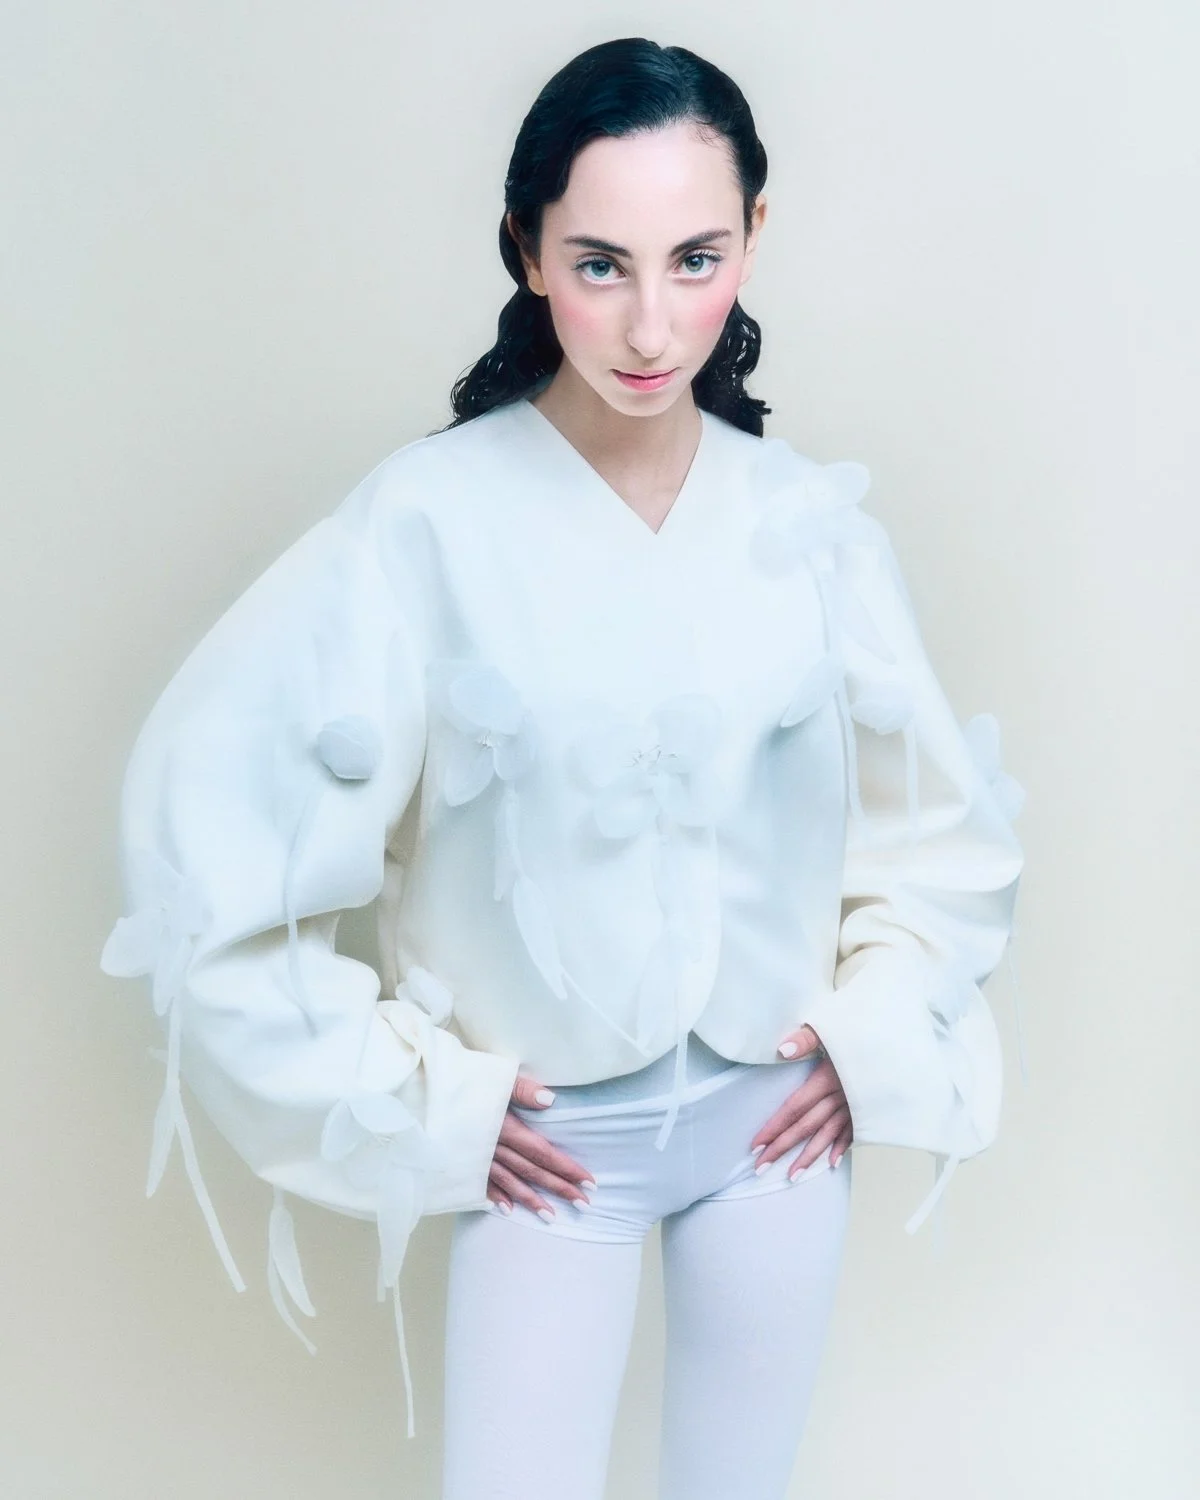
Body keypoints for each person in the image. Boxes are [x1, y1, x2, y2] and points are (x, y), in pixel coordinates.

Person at [98, 36, 1027, 1500]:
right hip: (553, 1156)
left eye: (695, 259)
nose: (653, 325)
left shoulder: (807, 525)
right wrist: (427, 1104)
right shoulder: (422, 525)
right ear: (527, 249)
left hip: (772, 1142)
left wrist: (869, 1039)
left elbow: (943, 844)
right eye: (600, 263)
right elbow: (213, 843)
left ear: (755, 240)